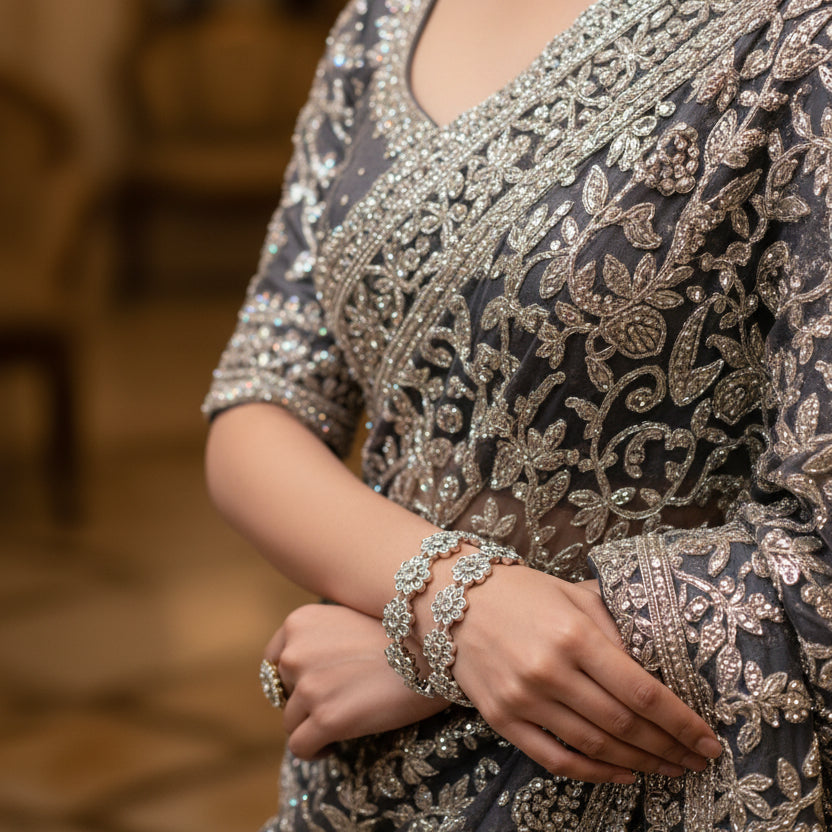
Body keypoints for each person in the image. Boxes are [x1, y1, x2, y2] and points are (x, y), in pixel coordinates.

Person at [203, 0, 832, 827]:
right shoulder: (382, 18)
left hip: (630, 771)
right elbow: (263, 393)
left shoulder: (798, 36)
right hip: (359, 767)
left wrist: (440, 651)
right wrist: (441, 605)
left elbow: (814, 546)